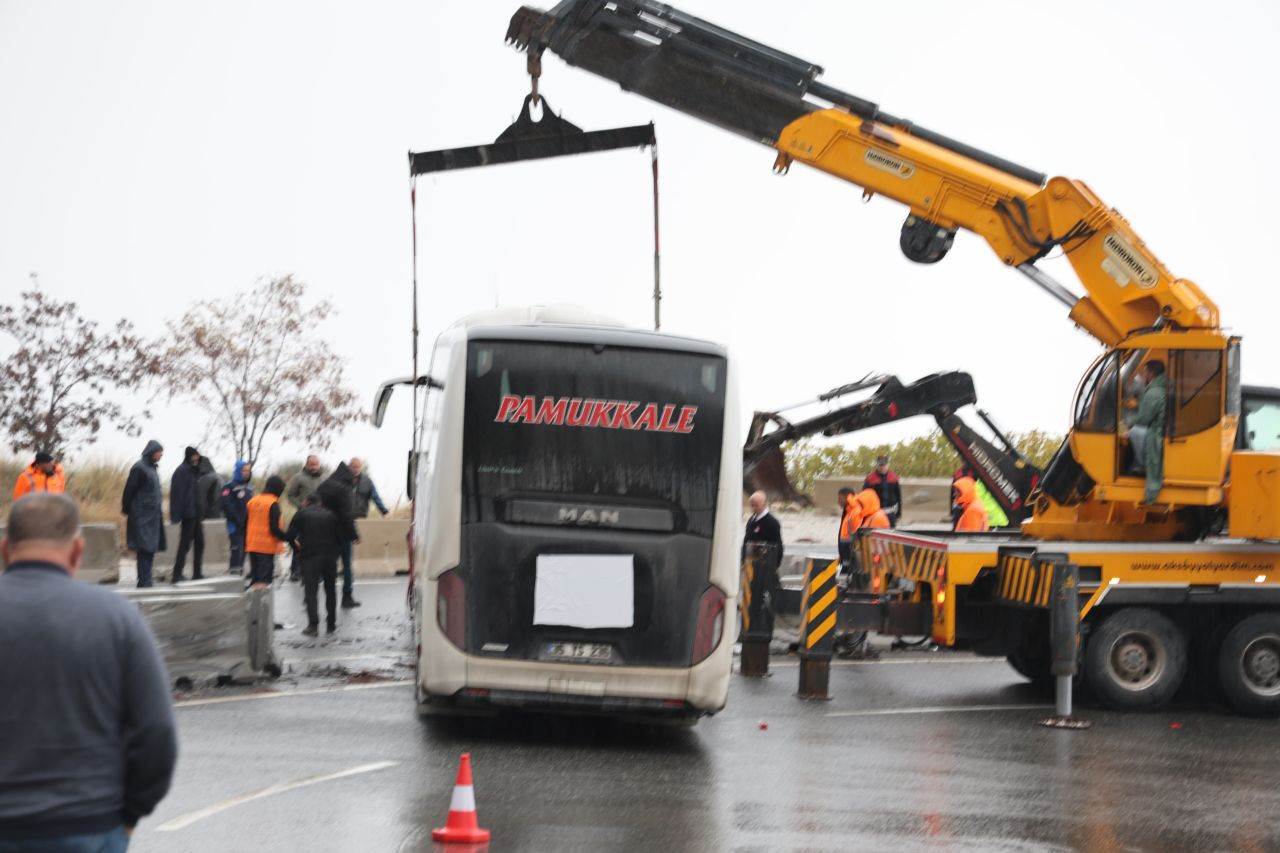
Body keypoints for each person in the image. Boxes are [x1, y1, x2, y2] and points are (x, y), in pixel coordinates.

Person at [0, 494, 177, 849]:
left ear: (5, 549)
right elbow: (156, 733)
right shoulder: (117, 618)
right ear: (77, 551)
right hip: (88, 827)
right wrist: (129, 815)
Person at [287, 493, 345, 636]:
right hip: (329, 557)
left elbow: (289, 536)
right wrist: (335, 554)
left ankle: (313, 626)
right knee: (330, 590)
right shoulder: (331, 515)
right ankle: (331, 624)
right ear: (320, 503)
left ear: (306, 502)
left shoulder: (301, 514)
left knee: (311, 592)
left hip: (310, 556)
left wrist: (297, 549)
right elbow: (341, 537)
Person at [121, 440, 165, 588]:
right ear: (152, 452)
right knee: (144, 548)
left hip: (153, 515)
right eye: (159, 452)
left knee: (150, 548)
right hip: (141, 515)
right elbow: (129, 491)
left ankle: (147, 578)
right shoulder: (139, 468)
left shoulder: (153, 469)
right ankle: (144, 580)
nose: (161, 455)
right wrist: (127, 509)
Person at [1123, 359, 1168, 504]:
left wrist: (1126, 426)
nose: (1141, 375)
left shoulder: (1154, 393)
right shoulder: (1160, 389)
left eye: (1143, 372)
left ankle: (1143, 465)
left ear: (1151, 373)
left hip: (1157, 435)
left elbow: (1143, 419)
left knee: (1135, 432)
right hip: (1160, 431)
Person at [318, 462, 361, 609]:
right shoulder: (344, 489)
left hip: (324, 532)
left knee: (328, 566)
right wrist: (354, 534)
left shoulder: (323, 485)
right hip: (342, 533)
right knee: (347, 565)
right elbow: (346, 515)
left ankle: (321, 596)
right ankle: (346, 597)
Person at [285, 455, 327, 581]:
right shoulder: (299, 477)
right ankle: (295, 571)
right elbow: (290, 494)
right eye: (311, 465)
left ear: (319, 464)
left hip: (320, 516)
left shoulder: (324, 478)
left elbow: (329, 494)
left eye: (316, 464)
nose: (314, 467)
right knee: (299, 544)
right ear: (307, 464)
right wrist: (299, 504)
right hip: (303, 515)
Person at [245, 475, 289, 589]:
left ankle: (254, 605)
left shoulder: (252, 501)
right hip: (266, 547)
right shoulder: (273, 503)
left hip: (252, 545)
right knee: (264, 582)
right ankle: (262, 606)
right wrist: (285, 537)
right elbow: (274, 528)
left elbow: (245, 523)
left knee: (256, 579)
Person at [168, 446, 204, 583]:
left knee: (200, 543)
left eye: (198, 456)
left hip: (196, 514)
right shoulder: (181, 471)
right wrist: (175, 516)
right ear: (189, 456)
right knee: (185, 545)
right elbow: (176, 495)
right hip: (187, 514)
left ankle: (197, 572)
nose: (197, 459)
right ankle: (177, 574)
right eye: (195, 456)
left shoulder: (195, 471)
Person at [220, 459, 253, 576]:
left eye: (248, 470)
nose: (247, 472)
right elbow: (226, 505)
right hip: (234, 525)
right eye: (244, 470)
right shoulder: (229, 486)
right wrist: (237, 519)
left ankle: (240, 573)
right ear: (239, 471)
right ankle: (234, 575)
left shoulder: (249, 487)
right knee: (236, 550)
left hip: (247, 524)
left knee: (244, 551)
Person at [862, 455, 902, 526]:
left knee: (891, 534)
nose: (882, 467)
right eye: (880, 465)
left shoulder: (894, 477)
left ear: (888, 465)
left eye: (884, 465)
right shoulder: (870, 479)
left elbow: (898, 496)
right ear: (877, 465)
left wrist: (899, 513)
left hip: (891, 513)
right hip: (876, 513)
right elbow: (864, 498)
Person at [743, 490, 783, 558]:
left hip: (764, 562)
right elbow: (746, 541)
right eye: (752, 505)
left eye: (756, 505)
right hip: (749, 561)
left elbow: (777, 547)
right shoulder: (751, 520)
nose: (754, 508)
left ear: (765, 504)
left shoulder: (772, 523)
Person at [195, 456, 223, 520]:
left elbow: (201, 499)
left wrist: (200, 516)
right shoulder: (220, 477)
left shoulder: (205, 479)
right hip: (222, 515)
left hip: (210, 516)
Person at [836, 486, 859, 563]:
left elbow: (857, 534)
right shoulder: (848, 511)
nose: (838, 501)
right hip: (846, 554)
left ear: (847, 498)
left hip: (850, 555)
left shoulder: (855, 512)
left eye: (840, 498)